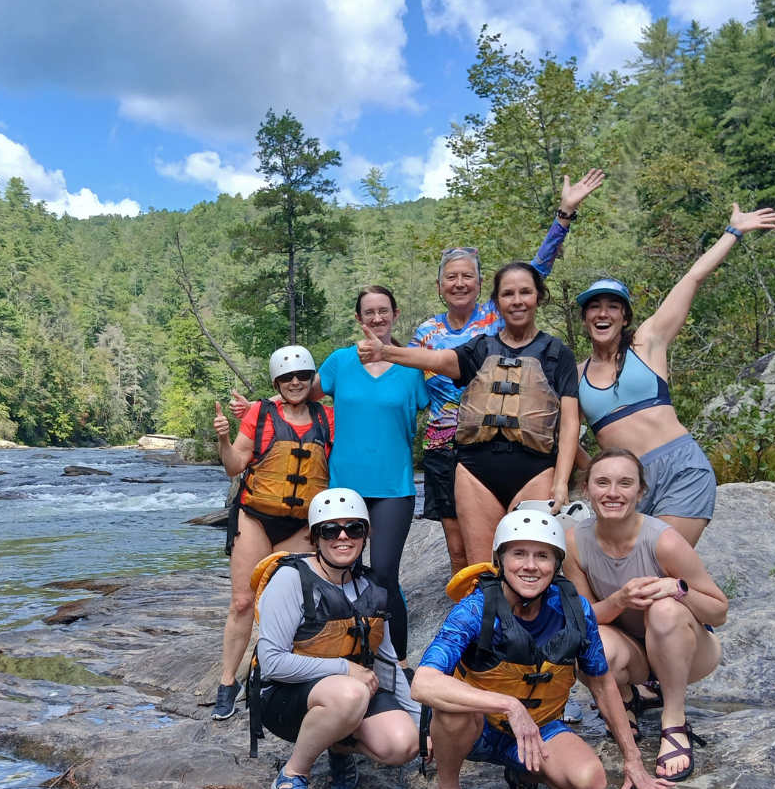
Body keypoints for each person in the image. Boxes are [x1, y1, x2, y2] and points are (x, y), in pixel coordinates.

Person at [412, 509, 674, 789]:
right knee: (452, 708)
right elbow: (423, 683)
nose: (530, 565)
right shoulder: (475, 609)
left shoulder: (574, 611)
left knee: (590, 785)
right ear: (501, 560)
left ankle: (523, 778)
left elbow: (602, 683)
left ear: (556, 563)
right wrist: (509, 705)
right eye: (518, 554)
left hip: (539, 728)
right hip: (478, 729)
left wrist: (633, 760)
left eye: (542, 556)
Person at [414, 170, 605, 574]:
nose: (459, 282)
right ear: (439, 285)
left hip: (524, 444)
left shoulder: (494, 316)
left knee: (529, 560)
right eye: (452, 277)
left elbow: (536, 268)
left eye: (468, 275)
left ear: (482, 284)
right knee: (462, 554)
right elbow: (413, 376)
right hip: (452, 446)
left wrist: (564, 215)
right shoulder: (426, 332)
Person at [230, 286, 429, 669]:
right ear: (358, 318)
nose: (376, 318)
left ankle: (398, 665)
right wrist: (259, 407)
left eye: (383, 311)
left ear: (395, 314)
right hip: (342, 488)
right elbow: (299, 395)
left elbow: (436, 406)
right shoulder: (340, 362)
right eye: (368, 312)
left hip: (393, 487)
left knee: (384, 574)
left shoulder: (411, 367)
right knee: (338, 572)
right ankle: (335, 651)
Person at [576, 204, 775, 546]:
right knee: (631, 579)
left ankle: (699, 598)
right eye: (594, 307)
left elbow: (692, 278)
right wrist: (594, 473)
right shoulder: (576, 374)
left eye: (613, 306)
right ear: (585, 319)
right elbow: (563, 437)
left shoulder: (647, 342)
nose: (603, 313)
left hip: (681, 469)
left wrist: (734, 232)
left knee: (658, 563)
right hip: (624, 485)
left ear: (624, 317)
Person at [358, 262, 581, 572]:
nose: (517, 301)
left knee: (532, 569)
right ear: (497, 302)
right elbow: (435, 358)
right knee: (480, 572)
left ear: (538, 297)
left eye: (525, 292)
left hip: (535, 471)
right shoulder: (480, 348)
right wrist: (386, 352)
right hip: (476, 474)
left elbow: (570, 422)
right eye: (508, 294)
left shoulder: (558, 353)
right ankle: (481, 620)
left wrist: (561, 483)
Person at [249, 488, 419, 789]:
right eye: (330, 530)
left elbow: (385, 661)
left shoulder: (371, 588)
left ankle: (339, 747)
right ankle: (293, 774)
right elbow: (271, 662)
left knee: (403, 745)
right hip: (285, 699)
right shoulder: (290, 580)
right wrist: (344, 668)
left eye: (354, 529)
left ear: (365, 535)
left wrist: (419, 721)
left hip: (346, 696)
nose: (343, 537)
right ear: (314, 538)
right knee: (350, 691)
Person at [564, 447, 728, 781]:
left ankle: (674, 719)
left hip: (690, 648)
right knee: (583, 640)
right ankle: (627, 698)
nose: (613, 493)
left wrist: (678, 588)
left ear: (640, 492)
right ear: (587, 490)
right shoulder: (574, 543)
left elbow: (719, 610)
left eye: (625, 483)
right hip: (632, 650)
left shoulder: (663, 541)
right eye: (603, 483)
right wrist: (620, 599)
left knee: (664, 609)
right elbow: (583, 617)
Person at [211, 345, 334, 721]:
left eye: (301, 376)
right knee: (243, 602)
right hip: (255, 518)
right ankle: (227, 682)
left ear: (311, 380)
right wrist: (223, 439)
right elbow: (235, 467)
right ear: (277, 382)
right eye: (286, 378)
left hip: (302, 525)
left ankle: (273, 673)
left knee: (288, 605)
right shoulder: (260, 416)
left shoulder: (328, 418)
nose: (294, 383)